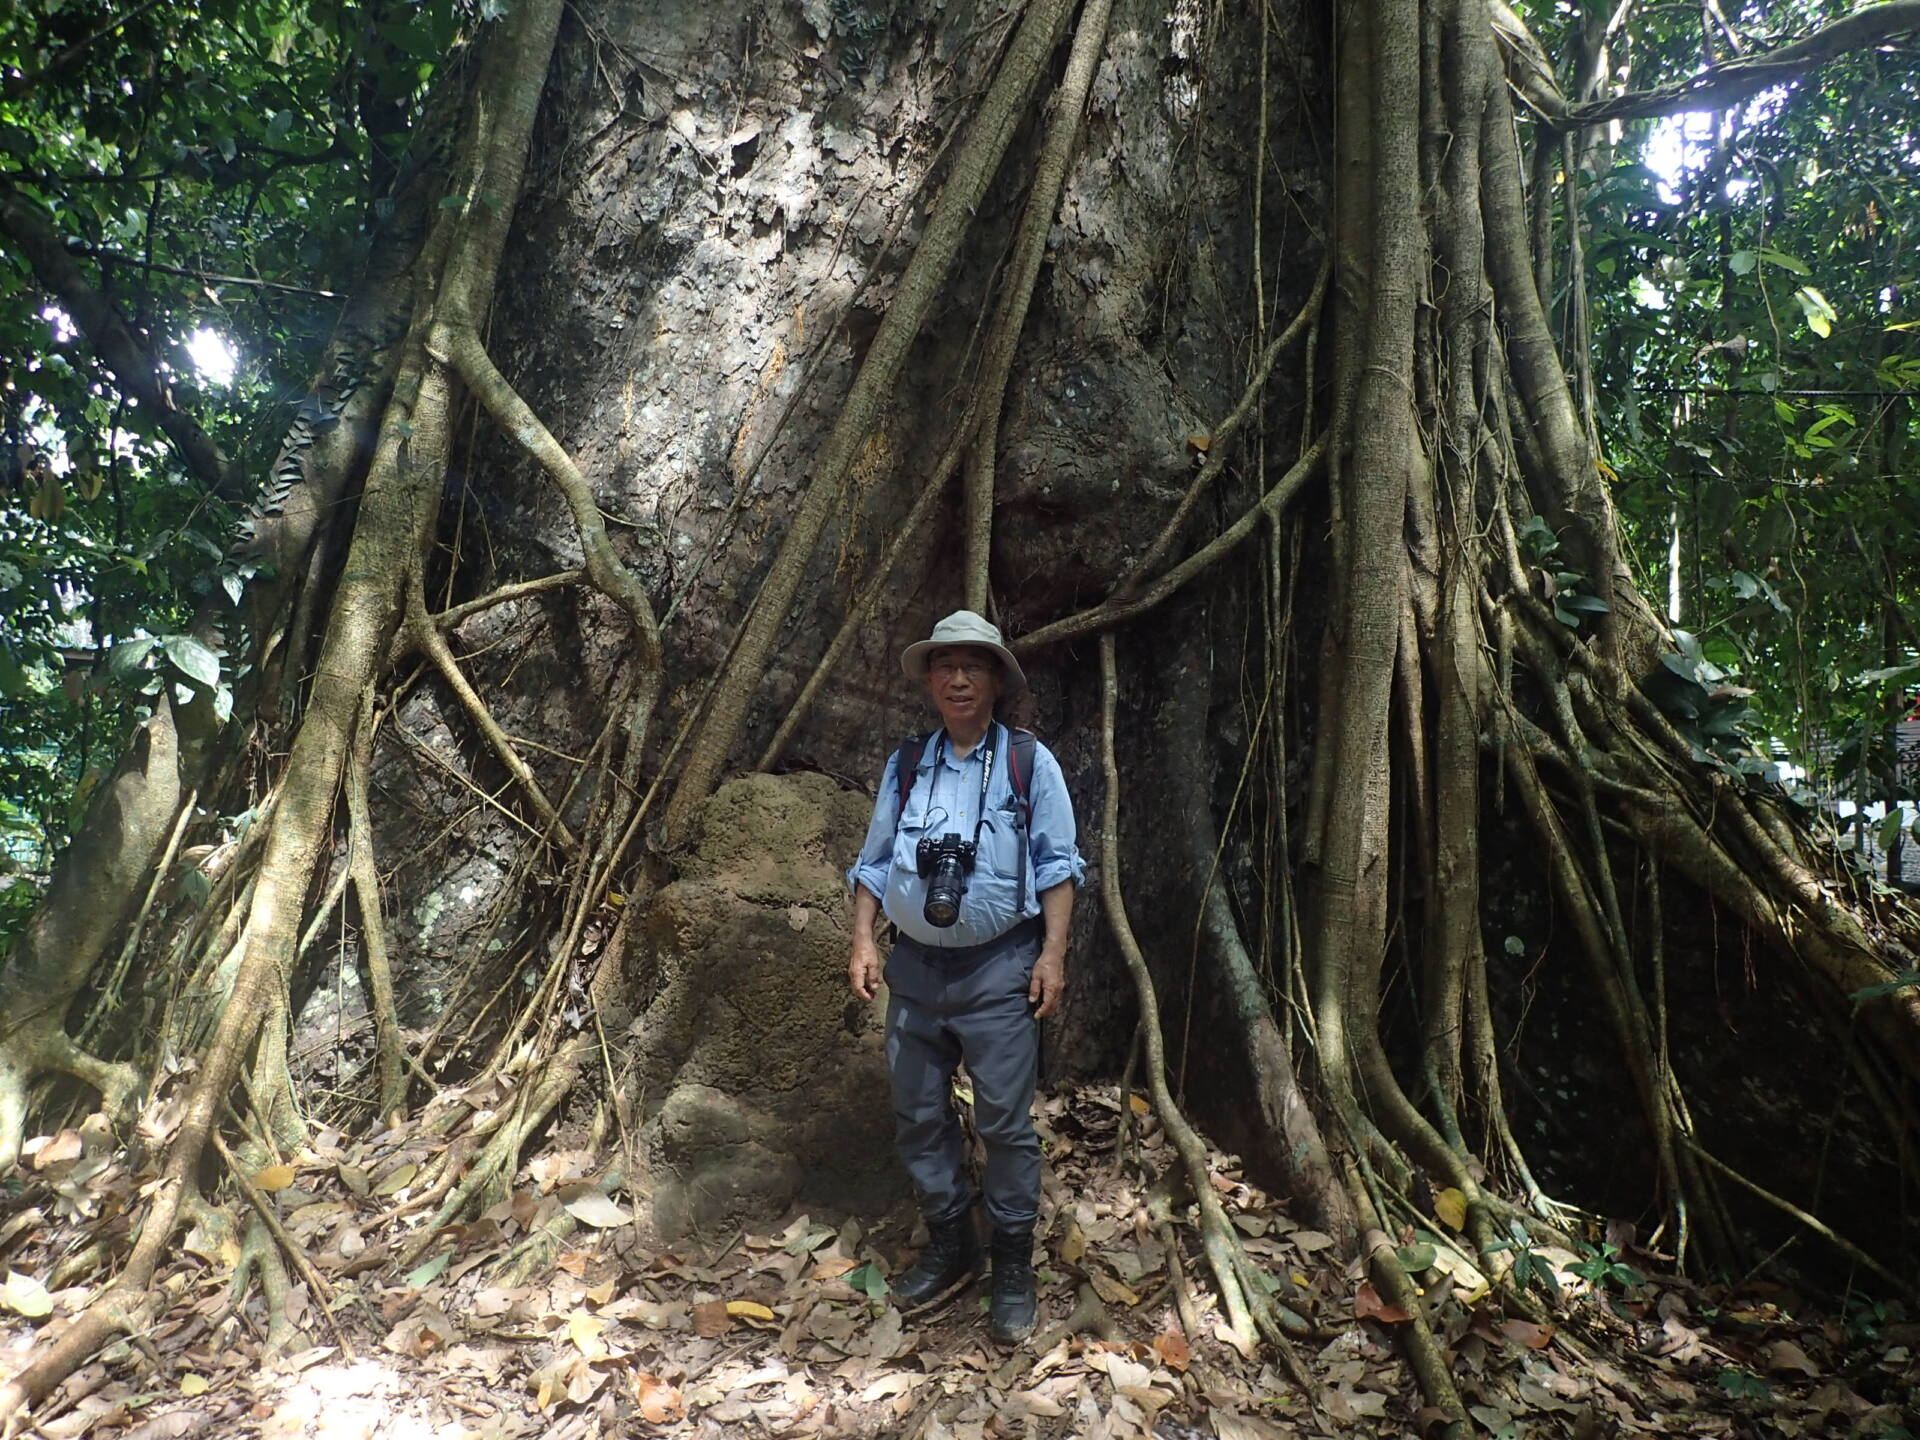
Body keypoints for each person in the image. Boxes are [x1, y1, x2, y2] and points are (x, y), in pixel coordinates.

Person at [847, 610, 1085, 1344]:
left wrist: (1052, 955)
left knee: (1005, 1124)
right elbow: (875, 860)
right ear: (929, 679)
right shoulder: (908, 764)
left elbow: (1059, 864)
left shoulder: (1025, 762)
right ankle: (953, 1245)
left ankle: (1012, 1263)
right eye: (945, 665)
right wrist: (862, 939)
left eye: (972, 666)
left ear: (994, 681)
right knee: (918, 1114)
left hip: (999, 968)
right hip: (914, 969)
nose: (957, 678)